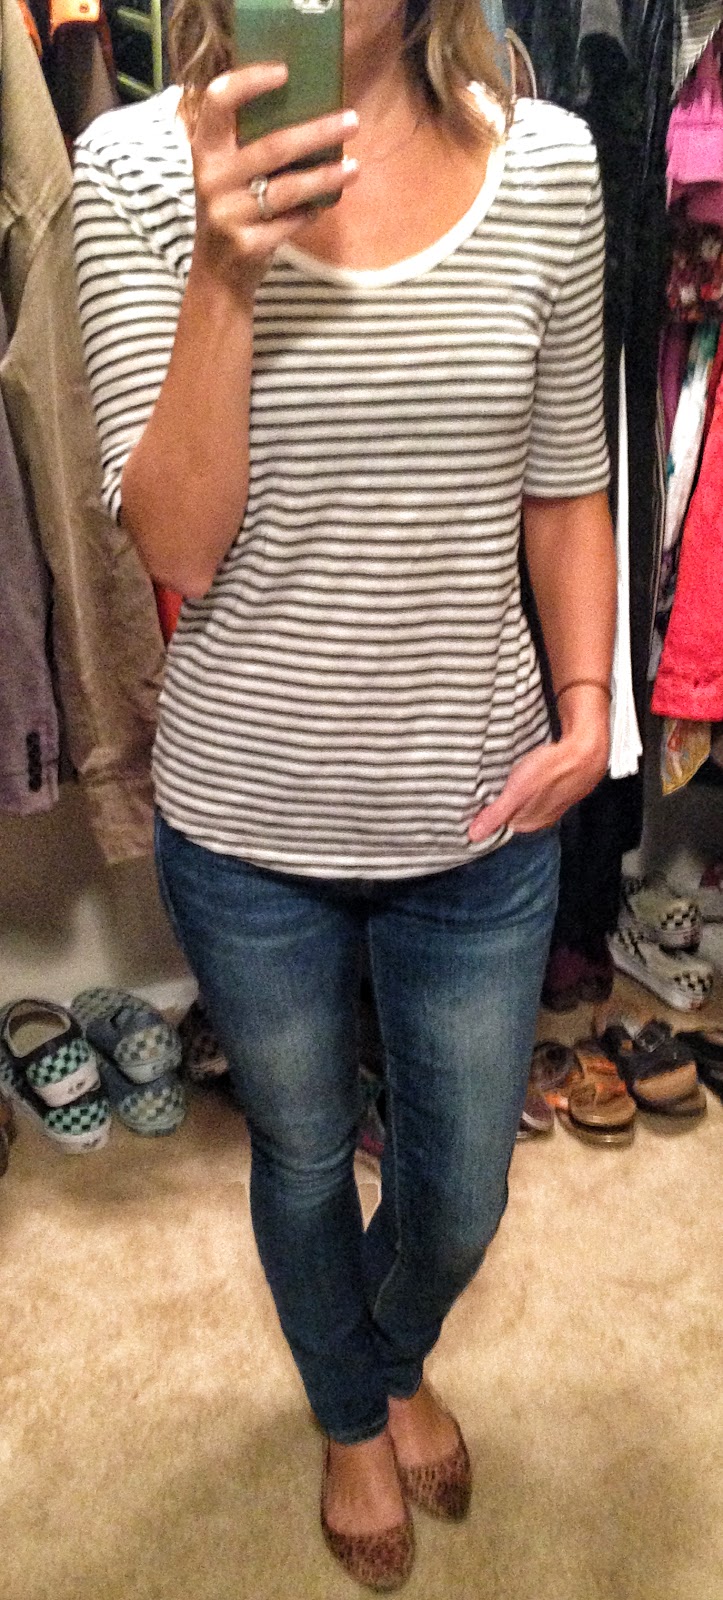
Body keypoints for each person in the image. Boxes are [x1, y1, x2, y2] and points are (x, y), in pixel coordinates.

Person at [72, 0, 616, 1586]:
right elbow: (175, 544)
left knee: (460, 1192)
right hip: (247, 824)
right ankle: (354, 1409)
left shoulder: (552, 165)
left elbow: (567, 483)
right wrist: (225, 267)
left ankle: (382, 1349)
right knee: (305, 1155)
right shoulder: (131, 173)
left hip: (482, 810)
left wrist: (591, 711)